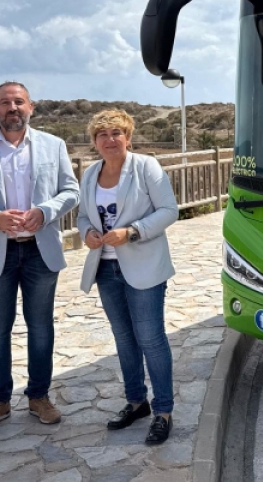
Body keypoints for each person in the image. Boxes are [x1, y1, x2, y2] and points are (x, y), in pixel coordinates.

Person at [0, 82, 80, 434]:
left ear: (31, 107)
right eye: (5, 102)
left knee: (41, 328)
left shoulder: (54, 145)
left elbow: (71, 191)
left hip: (41, 250)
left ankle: (39, 396)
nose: (13, 107)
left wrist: (46, 211)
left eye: (19, 101)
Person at [76, 110, 179, 445]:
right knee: (124, 338)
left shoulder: (146, 167)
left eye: (116, 132)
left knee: (151, 338)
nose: (110, 139)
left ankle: (163, 411)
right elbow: (82, 216)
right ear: (94, 142)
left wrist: (132, 232)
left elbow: (169, 211)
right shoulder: (90, 174)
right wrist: (87, 233)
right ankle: (136, 402)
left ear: (128, 137)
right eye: (102, 134)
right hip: (106, 268)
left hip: (144, 266)